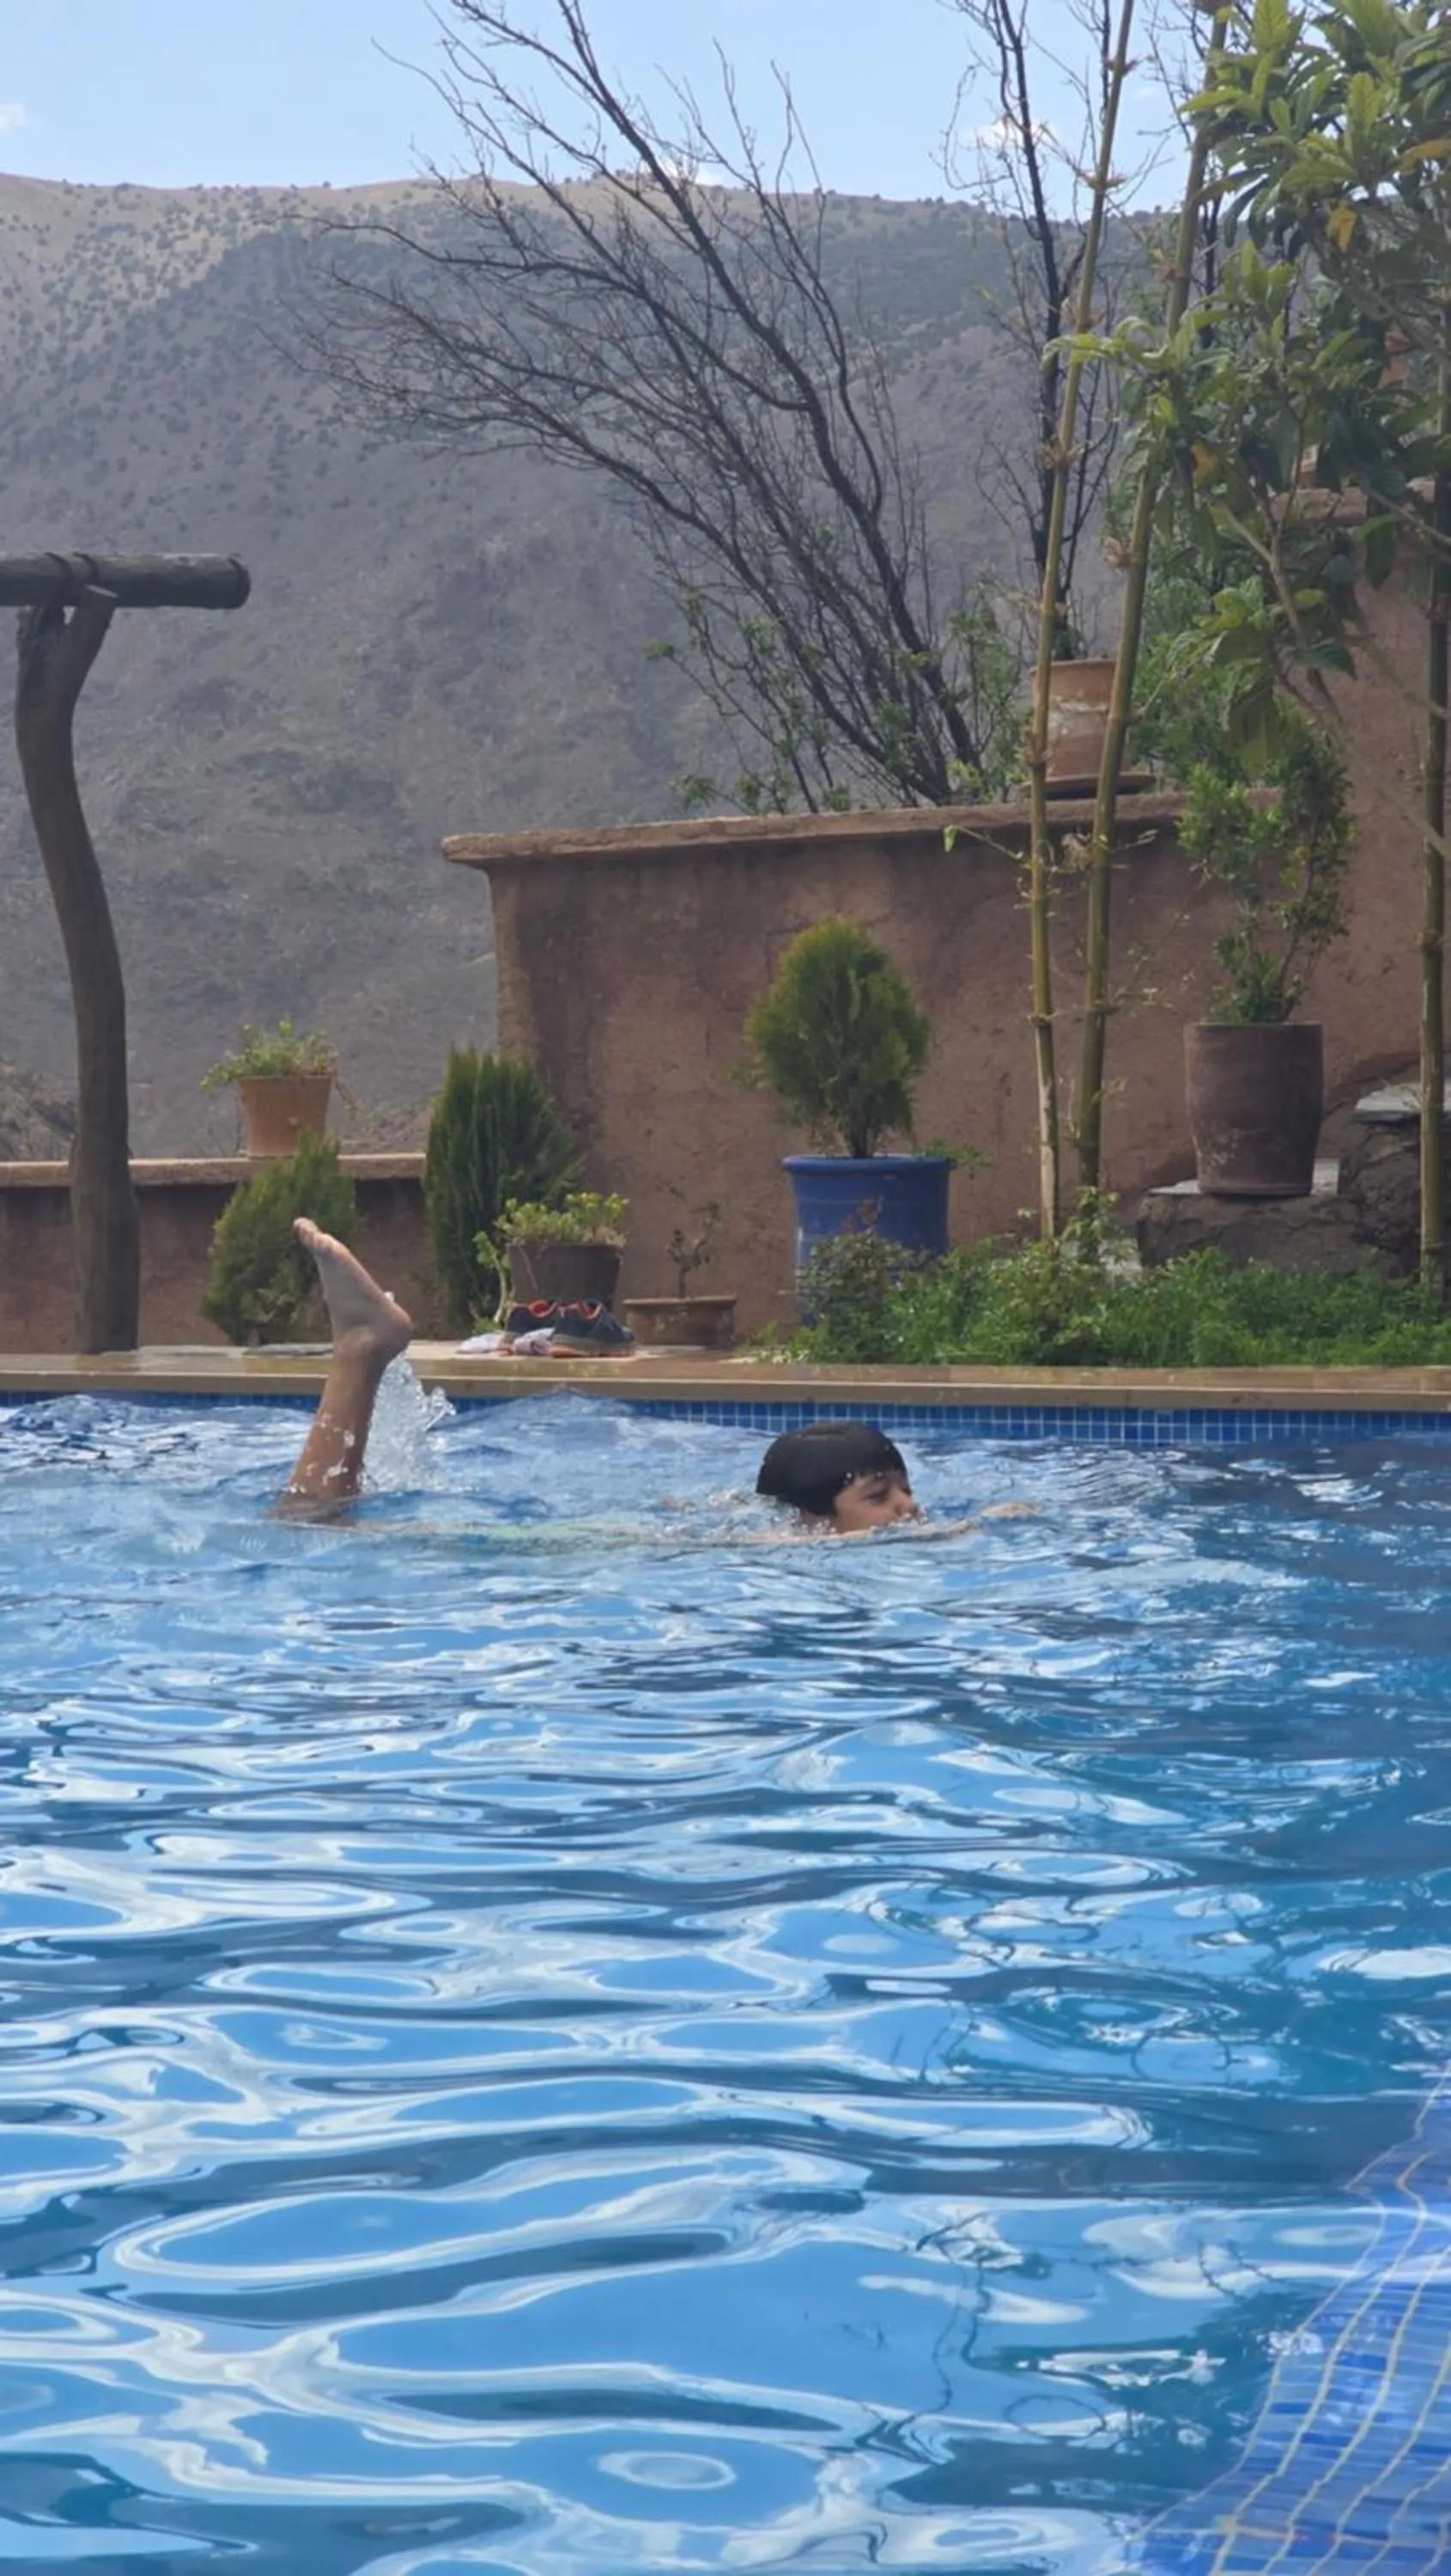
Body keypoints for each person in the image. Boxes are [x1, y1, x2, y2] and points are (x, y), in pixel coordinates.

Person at [282, 1222, 930, 1534]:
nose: (906, 1510)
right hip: (564, 1555)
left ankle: (362, 1354)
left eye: (901, 1491)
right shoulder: (791, 1550)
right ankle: (361, 1354)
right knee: (308, 1528)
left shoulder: (792, 1533)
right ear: (812, 1523)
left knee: (315, 1524)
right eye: (878, 1498)